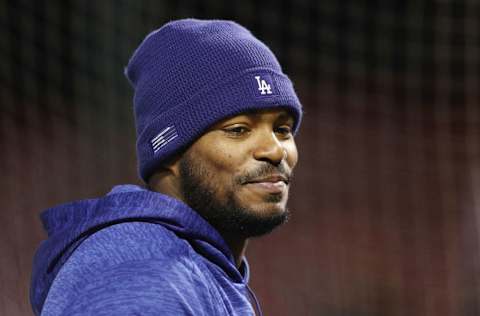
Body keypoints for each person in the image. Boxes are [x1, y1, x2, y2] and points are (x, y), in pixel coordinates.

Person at [30, 18, 303, 315]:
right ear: (169, 151)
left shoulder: (187, 269)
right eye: (238, 130)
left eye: (283, 129)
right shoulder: (140, 279)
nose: (275, 150)